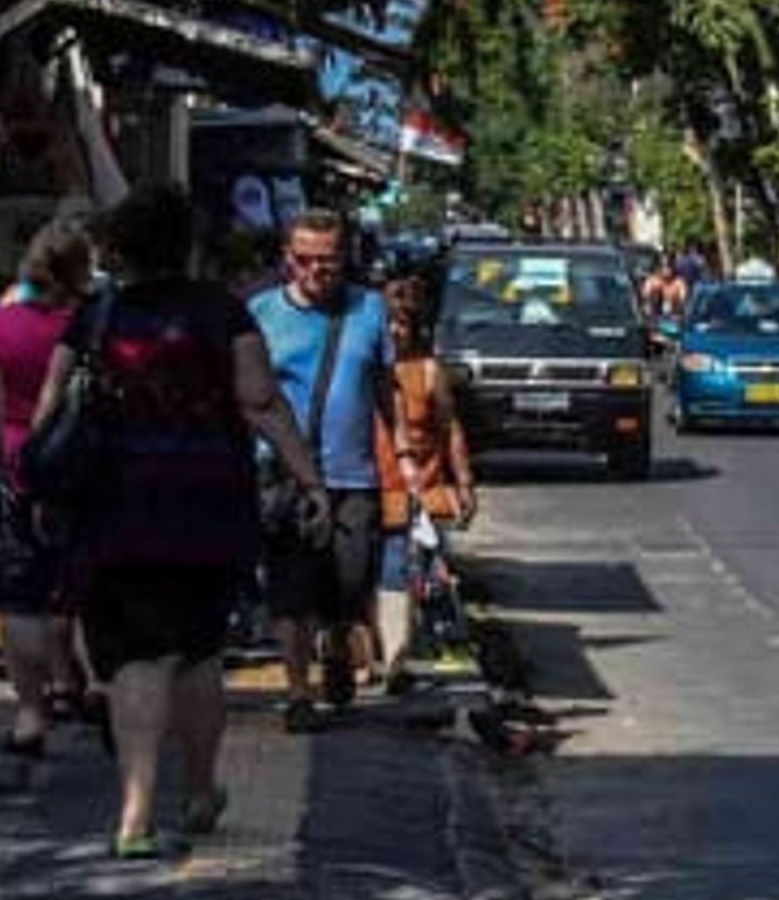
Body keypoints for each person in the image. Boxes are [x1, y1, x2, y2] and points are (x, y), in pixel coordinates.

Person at [38, 185, 328, 857]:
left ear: (119, 247)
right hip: (207, 503)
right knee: (197, 651)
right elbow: (261, 401)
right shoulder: (221, 313)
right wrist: (308, 480)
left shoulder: (96, 316)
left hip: (115, 507)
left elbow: (54, 405)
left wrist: (44, 481)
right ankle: (199, 789)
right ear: (187, 244)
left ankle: (134, 812)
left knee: (136, 656)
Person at [249, 210, 398, 730]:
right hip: (283, 475)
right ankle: (297, 693)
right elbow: (247, 396)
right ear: (288, 259)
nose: (316, 271)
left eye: (327, 261)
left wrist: (402, 460)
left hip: (352, 476)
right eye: (304, 260)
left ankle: (337, 641)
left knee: (350, 582)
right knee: (290, 591)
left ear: (345, 260)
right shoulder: (262, 313)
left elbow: (386, 391)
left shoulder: (370, 311)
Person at [0, 217, 100, 758]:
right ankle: (92, 683)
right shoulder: (92, 324)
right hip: (82, 465)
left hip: (17, 462)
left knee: (18, 596)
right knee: (82, 583)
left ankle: (31, 715)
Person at [372, 262, 477, 694]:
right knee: (369, 579)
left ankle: (400, 660)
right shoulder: (363, 370)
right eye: (390, 325)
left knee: (405, 576)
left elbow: (450, 428)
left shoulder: (429, 372)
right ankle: (373, 657)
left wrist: (464, 482)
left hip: (420, 497)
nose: (397, 334)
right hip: (368, 492)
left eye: (404, 326)